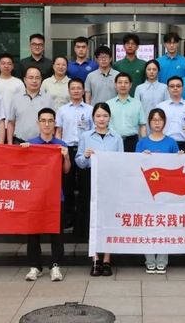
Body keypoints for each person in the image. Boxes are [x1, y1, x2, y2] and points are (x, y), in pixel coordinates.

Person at [20, 107, 71, 282]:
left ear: (55, 123)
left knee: (56, 232)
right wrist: (23, 152)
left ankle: (55, 265)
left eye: (50, 121)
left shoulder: (61, 145)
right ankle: (35, 266)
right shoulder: (30, 144)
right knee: (33, 232)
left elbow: (66, 170)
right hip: (35, 195)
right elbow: (21, 169)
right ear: (38, 123)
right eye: (43, 121)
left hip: (56, 195)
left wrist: (66, 157)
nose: (47, 124)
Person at [75, 102, 124, 276]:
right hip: (91, 179)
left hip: (110, 181)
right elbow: (79, 163)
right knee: (93, 218)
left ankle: (107, 259)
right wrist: (85, 156)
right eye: (98, 116)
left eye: (105, 116)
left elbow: (122, 162)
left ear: (109, 117)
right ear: (93, 118)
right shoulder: (86, 136)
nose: (101, 119)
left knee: (108, 218)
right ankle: (95, 259)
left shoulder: (116, 138)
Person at [135, 108, 181, 274]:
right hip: (147, 190)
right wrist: (142, 156)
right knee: (148, 224)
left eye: (159, 120)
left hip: (166, 191)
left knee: (164, 224)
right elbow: (134, 165)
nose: (156, 123)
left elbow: (177, 167)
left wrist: (181, 157)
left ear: (164, 122)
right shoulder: (142, 143)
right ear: (149, 122)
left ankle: (162, 260)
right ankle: (149, 260)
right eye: (153, 120)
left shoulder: (171, 142)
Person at [55, 78, 94, 230]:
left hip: (85, 151)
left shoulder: (90, 110)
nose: (76, 91)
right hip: (68, 150)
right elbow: (58, 131)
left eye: (79, 88)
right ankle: (69, 218)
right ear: (69, 91)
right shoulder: (62, 110)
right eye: (73, 88)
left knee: (85, 185)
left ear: (83, 91)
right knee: (67, 185)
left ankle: (83, 220)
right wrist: (59, 149)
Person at [7, 66, 54, 144]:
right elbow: (11, 123)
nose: (34, 81)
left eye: (37, 78)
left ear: (41, 80)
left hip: (42, 143)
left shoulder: (48, 99)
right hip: (20, 142)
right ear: (25, 80)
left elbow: (52, 123)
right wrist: (10, 144)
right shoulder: (16, 98)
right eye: (31, 78)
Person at [157, 76, 185, 153]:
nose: (175, 88)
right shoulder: (160, 107)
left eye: (178, 86)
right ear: (168, 89)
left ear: (182, 88)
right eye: (172, 86)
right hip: (165, 144)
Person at [107, 72, 147, 152]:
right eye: (120, 82)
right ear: (115, 85)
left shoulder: (137, 104)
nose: (123, 85)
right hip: (113, 141)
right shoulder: (108, 104)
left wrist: (144, 144)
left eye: (126, 82)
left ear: (130, 85)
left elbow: (142, 125)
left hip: (132, 141)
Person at [0, 54, 25, 133]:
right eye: (3, 63)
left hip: (14, 125)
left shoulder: (18, 83)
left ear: (12, 66)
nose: (6, 66)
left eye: (9, 63)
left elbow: (22, 103)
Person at [134, 59, 169, 131]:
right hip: (144, 123)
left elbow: (167, 107)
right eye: (149, 69)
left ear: (158, 71)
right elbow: (136, 108)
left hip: (161, 123)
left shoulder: (164, 88)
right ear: (145, 71)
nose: (151, 72)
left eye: (154, 69)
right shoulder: (139, 88)